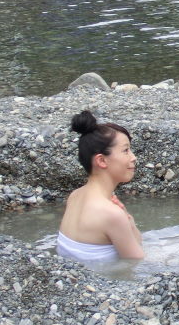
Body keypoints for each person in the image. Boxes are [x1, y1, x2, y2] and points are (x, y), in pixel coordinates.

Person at [58, 110, 143, 264]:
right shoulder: (111, 214)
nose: (133, 157)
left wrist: (128, 221)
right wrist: (126, 221)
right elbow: (137, 262)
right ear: (102, 161)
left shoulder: (75, 196)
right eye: (126, 150)